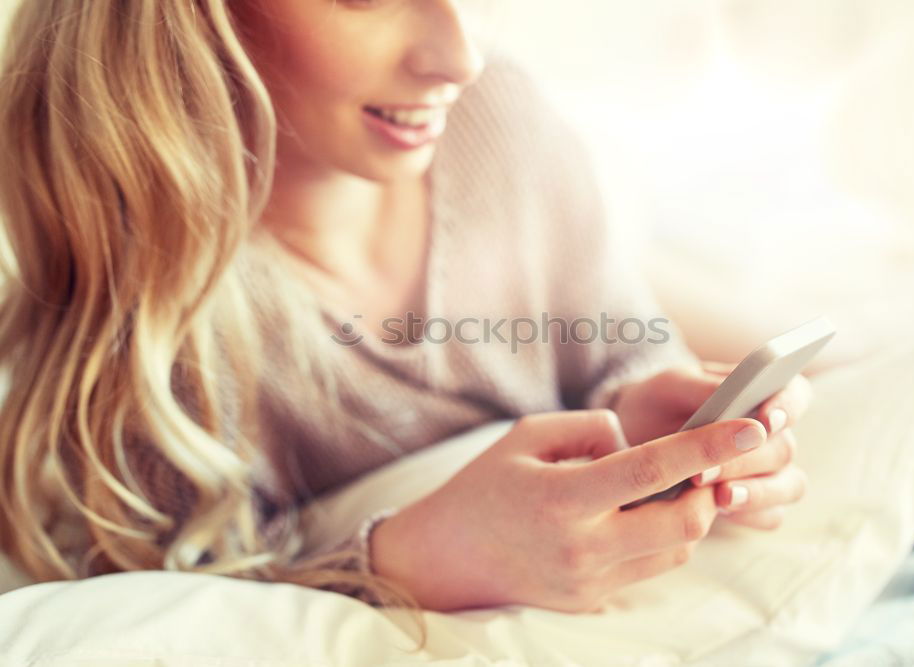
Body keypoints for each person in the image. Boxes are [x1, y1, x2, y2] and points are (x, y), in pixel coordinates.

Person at [0, 0, 811, 651]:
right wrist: (417, 559)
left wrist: (642, 406)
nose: (460, 56)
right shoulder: (147, 291)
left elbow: (619, 340)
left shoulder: (500, 116)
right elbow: (171, 600)